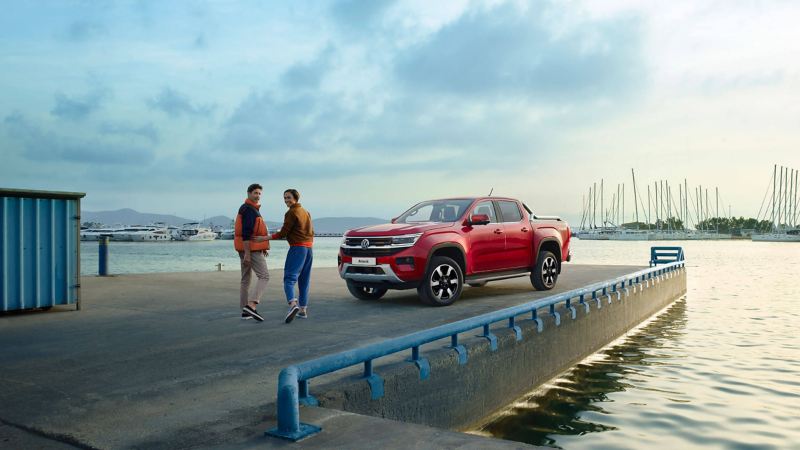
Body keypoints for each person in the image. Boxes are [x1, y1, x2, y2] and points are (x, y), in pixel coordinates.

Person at [266, 189, 313, 323]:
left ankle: (293, 305)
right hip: (309, 248)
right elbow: (311, 231)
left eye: (289, 198)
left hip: (298, 248)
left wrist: (266, 237)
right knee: (304, 280)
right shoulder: (306, 212)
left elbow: (283, 233)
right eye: (285, 198)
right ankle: (303, 310)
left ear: (296, 198)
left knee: (289, 279)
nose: (286, 200)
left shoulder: (291, 212)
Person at [234, 183, 270, 322]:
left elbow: (255, 231)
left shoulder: (248, 208)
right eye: (255, 193)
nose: (258, 195)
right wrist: (248, 253)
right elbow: (246, 233)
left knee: (245, 279)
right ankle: (251, 305)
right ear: (248, 193)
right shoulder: (249, 209)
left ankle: (245, 311)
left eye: (260, 193)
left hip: (246, 248)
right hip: (250, 249)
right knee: (264, 276)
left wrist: (263, 247)